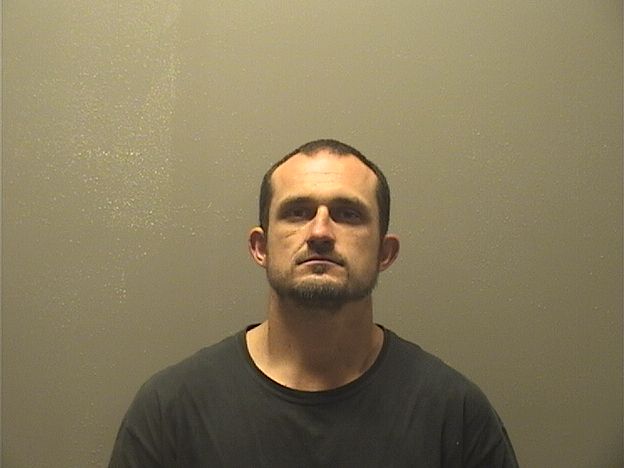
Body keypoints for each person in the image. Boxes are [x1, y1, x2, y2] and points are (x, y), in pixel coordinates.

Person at [109, 139, 519, 467]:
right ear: (260, 247)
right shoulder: (171, 411)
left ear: (385, 252)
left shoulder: (454, 414)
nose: (320, 231)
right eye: (297, 212)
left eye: (347, 214)